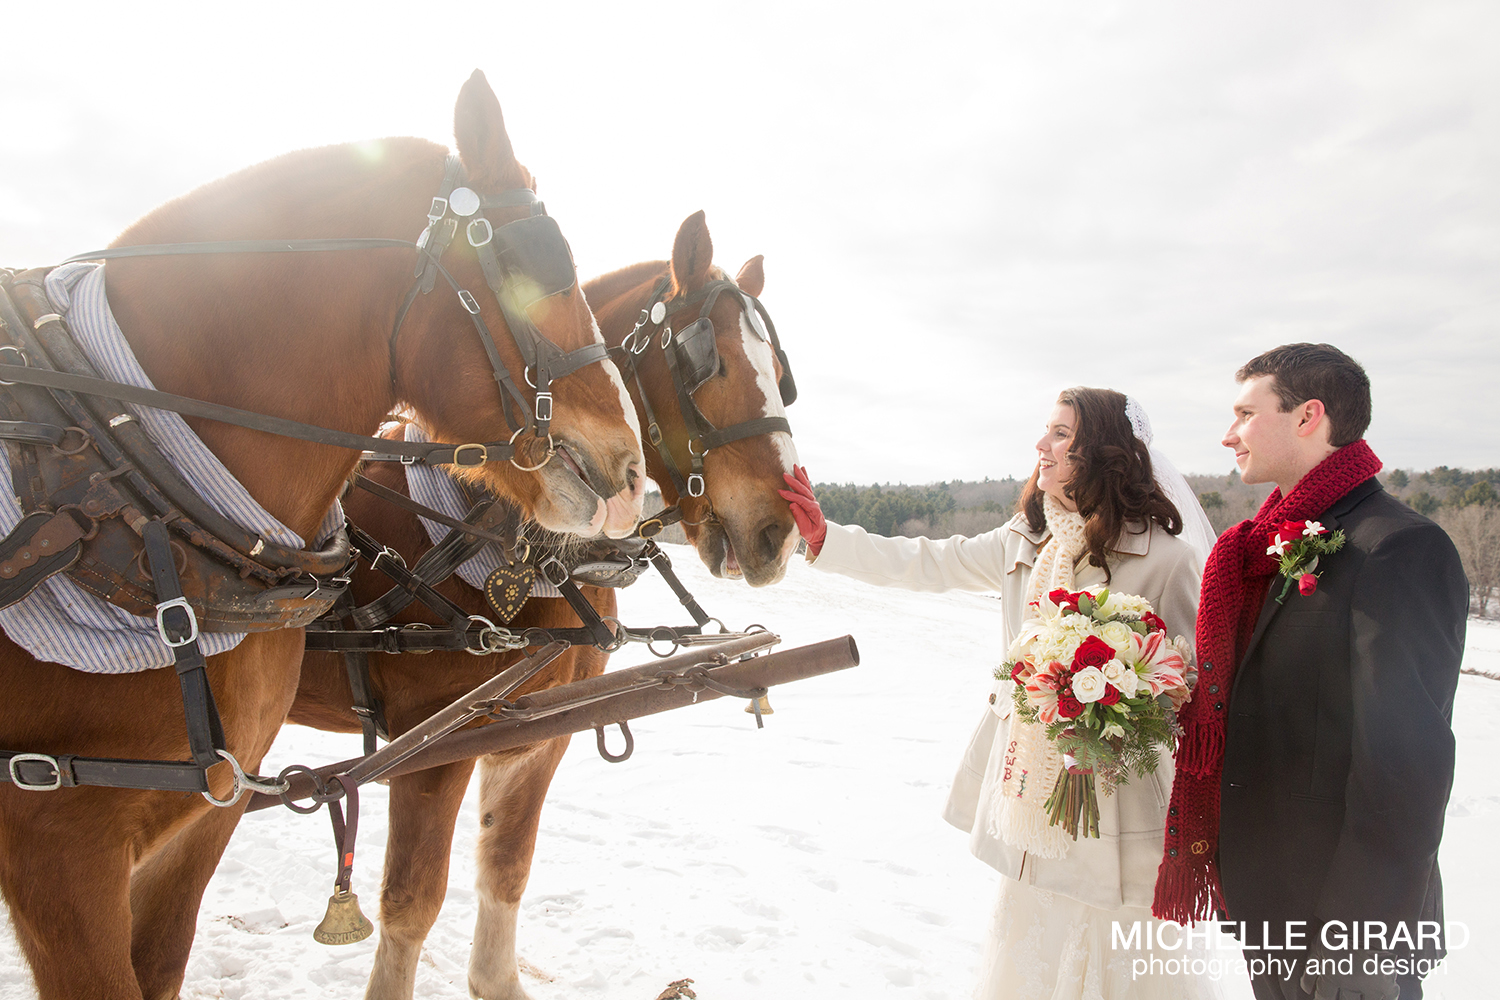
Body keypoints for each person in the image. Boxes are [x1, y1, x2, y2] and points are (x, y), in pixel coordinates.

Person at [782, 388, 1220, 1000]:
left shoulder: (1168, 561)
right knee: (1035, 941)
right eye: (1046, 431)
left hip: (1118, 798)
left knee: (1115, 949)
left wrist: (1124, 699)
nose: (1042, 445)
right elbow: (927, 561)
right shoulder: (1024, 541)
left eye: (1061, 434)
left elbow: (1192, 685)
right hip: (1030, 789)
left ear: (1104, 452)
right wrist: (827, 538)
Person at [1153, 344, 1467, 1000]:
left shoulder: (1396, 547)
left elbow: (1406, 770)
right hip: (1270, 904)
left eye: (1245, 412)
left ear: (1308, 417)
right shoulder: (1260, 548)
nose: (1228, 433)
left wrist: (1357, 950)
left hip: (1342, 923)